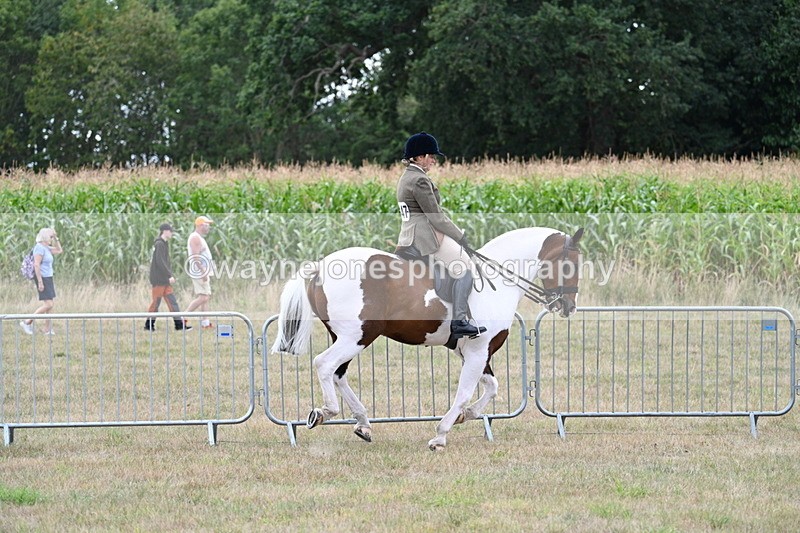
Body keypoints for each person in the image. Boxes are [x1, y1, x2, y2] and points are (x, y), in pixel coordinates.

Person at [395, 132, 485, 338]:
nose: (434, 160)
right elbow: (436, 217)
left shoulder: (407, 176)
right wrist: (460, 236)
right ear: (418, 157)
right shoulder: (419, 180)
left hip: (409, 234)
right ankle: (460, 320)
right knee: (465, 267)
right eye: (431, 156)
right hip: (423, 236)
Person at [144, 223, 192, 331]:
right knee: (156, 303)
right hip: (159, 280)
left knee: (172, 301)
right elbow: (160, 262)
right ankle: (148, 325)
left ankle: (179, 325)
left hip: (165, 280)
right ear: (164, 231)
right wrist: (169, 275)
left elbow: (164, 262)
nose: (171, 233)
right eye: (170, 231)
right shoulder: (159, 244)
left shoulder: (164, 244)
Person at [20, 227, 63, 335]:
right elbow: (36, 264)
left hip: (48, 277)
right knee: (48, 304)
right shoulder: (39, 248)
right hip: (42, 277)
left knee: (50, 304)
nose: (51, 238)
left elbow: (59, 250)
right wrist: (40, 281)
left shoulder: (47, 248)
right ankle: (27, 322)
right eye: (50, 236)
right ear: (44, 237)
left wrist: (56, 238)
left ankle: (47, 329)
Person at [185, 215, 214, 329]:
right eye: (206, 225)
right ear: (200, 225)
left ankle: (205, 323)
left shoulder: (199, 237)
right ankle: (183, 317)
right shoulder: (195, 238)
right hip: (199, 271)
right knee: (203, 297)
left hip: (202, 270)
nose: (208, 227)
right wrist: (203, 272)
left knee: (205, 296)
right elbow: (195, 257)